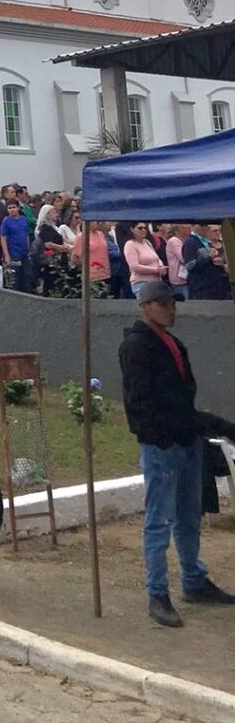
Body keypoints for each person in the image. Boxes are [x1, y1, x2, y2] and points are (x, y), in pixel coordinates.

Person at [119, 279, 235, 627]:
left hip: (186, 439)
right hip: (163, 444)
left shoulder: (171, 342)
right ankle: (157, 592)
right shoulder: (138, 346)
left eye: (172, 303)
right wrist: (164, 435)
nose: (170, 309)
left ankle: (194, 580)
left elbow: (182, 399)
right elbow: (139, 403)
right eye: (163, 304)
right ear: (145, 307)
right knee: (159, 521)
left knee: (188, 517)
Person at [184, 224, 232, 300]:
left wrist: (220, 263)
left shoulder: (207, 242)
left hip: (217, 287)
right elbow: (189, 266)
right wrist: (208, 258)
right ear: (195, 226)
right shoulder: (190, 242)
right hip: (201, 289)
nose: (206, 228)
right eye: (203, 225)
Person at [124, 222, 167, 297]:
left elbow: (157, 258)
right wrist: (156, 270)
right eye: (140, 228)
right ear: (132, 229)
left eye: (145, 228)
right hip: (141, 283)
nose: (143, 230)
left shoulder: (147, 242)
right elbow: (134, 267)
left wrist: (161, 266)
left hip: (156, 282)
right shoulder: (130, 244)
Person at [0, 200, 31, 291]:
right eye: (9, 208)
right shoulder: (6, 222)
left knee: (26, 278)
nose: (12, 210)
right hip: (13, 254)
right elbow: (3, 238)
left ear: (18, 208)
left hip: (24, 253)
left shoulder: (24, 219)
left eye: (14, 207)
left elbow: (26, 234)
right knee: (14, 280)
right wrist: (7, 255)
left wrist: (28, 250)